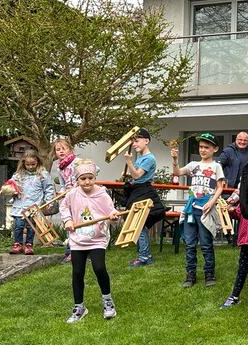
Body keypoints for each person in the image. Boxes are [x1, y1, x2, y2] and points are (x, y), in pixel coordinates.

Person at [59, 160, 121, 323]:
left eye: (90, 178)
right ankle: (79, 307)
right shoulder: (72, 194)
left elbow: (111, 211)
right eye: (83, 179)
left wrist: (113, 216)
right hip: (77, 239)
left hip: (97, 239)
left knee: (99, 268)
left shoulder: (102, 194)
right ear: (77, 180)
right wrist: (67, 220)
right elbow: (64, 208)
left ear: (94, 178)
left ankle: (108, 302)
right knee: (77, 272)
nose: (87, 182)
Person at [171, 133, 226, 288]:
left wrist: (211, 202)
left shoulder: (216, 166)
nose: (203, 150)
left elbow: (220, 187)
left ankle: (209, 273)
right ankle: (190, 274)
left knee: (206, 244)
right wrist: (175, 159)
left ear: (215, 149)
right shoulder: (193, 165)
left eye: (206, 147)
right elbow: (177, 172)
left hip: (206, 209)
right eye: (201, 147)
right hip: (191, 209)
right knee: (189, 244)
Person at [123, 128, 164, 268]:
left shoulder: (149, 158)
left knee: (139, 225)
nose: (134, 144)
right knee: (140, 226)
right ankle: (145, 256)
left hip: (144, 193)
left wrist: (129, 162)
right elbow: (134, 175)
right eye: (133, 142)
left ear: (146, 141)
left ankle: (144, 257)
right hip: (137, 192)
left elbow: (137, 175)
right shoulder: (140, 157)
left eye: (137, 141)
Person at [8, 150, 55, 255]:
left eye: (33, 164)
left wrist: (49, 201)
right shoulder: (18, 175)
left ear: (37, 162)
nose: (30, 167)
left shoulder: (42, 174)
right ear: (23, 163)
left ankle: (29, 245)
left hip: (33, 205)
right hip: (20, 205)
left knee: (31, 226)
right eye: (28, 164)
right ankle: (18, 244)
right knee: (18, 225)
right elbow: (11, 185)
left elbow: (49, 188)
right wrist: (12, 191)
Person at [220, 193, 248, 309]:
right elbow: (238, 214)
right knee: (242, 269)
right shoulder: (245, 200)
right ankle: (234, 296)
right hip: (246, 240)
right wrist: (231, 211)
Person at [50, 137, 81, 263]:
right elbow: (63, 185)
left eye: (64, 148)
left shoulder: (77, 162)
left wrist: (78, 183)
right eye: (58, 150)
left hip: (79, 195)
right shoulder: (60, 168)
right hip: (68, 197)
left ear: (70, 149)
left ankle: (80, 251)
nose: (61, 151)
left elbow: (95, 169)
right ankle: (70, 252)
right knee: (69, 222)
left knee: (79, 222)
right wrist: (62, 192)